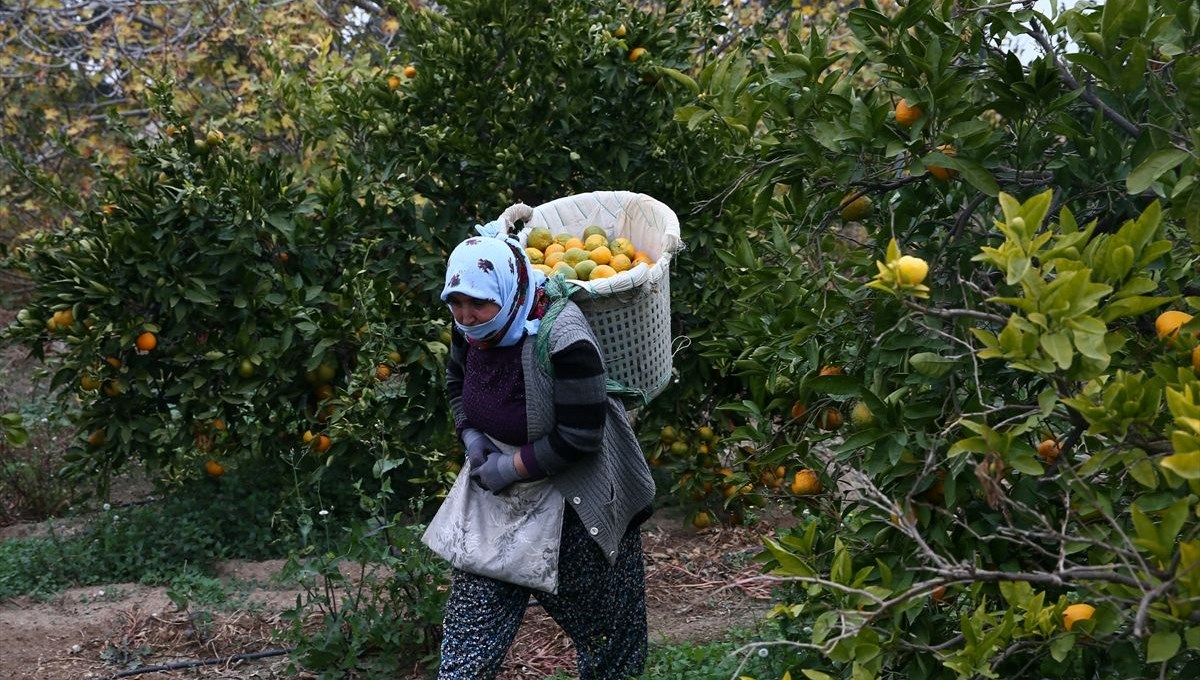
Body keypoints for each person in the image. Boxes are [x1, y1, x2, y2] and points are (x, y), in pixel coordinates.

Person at [436, 232, 655, 679]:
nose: (465, 316)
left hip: (577, 508)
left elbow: (581, 435)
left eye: (476, 303)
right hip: (498, 506)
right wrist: (471, 436)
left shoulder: (564, 337)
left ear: (506, 290)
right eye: (455, 304)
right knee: (467, 647)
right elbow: (456, 387)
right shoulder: (470, 333)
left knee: (608, 642)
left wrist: (509, 467)